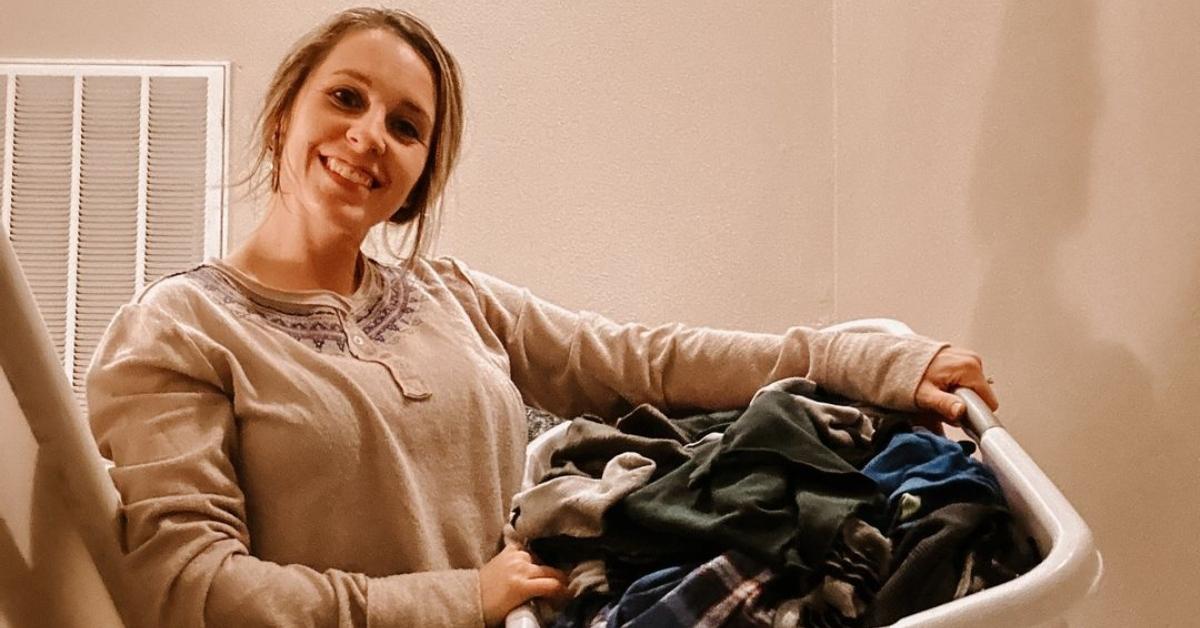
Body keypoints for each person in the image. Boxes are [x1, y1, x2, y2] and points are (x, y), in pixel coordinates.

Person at [86, 7, 999, 628]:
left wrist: (861, 360)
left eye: (408, 127)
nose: (370, 136)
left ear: (415, 179)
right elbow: (186, 587)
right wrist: (458, 598)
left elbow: (645, 362)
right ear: (284, 114)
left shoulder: (453, 298)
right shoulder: (178, 331)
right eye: (346, 97)